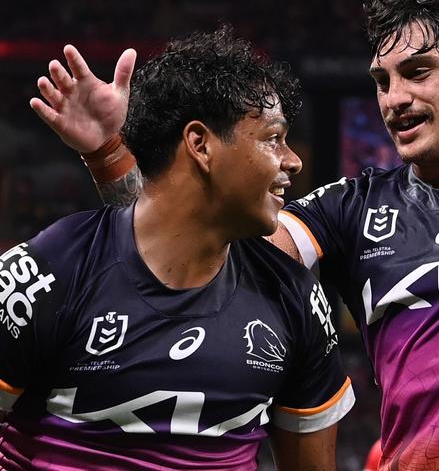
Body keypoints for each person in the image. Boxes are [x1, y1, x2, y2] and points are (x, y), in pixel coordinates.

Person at [29, 0, 439, 469]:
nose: (393, 98)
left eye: (417, 71)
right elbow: (194, 243)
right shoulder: (349, 207)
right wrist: (115, 155)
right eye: (381, 81)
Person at [1, 27, 355, 470]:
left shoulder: (296, 298)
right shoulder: (49, 271)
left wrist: (110, 154)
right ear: (201, 144)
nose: (293, 160)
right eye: (272, 137)